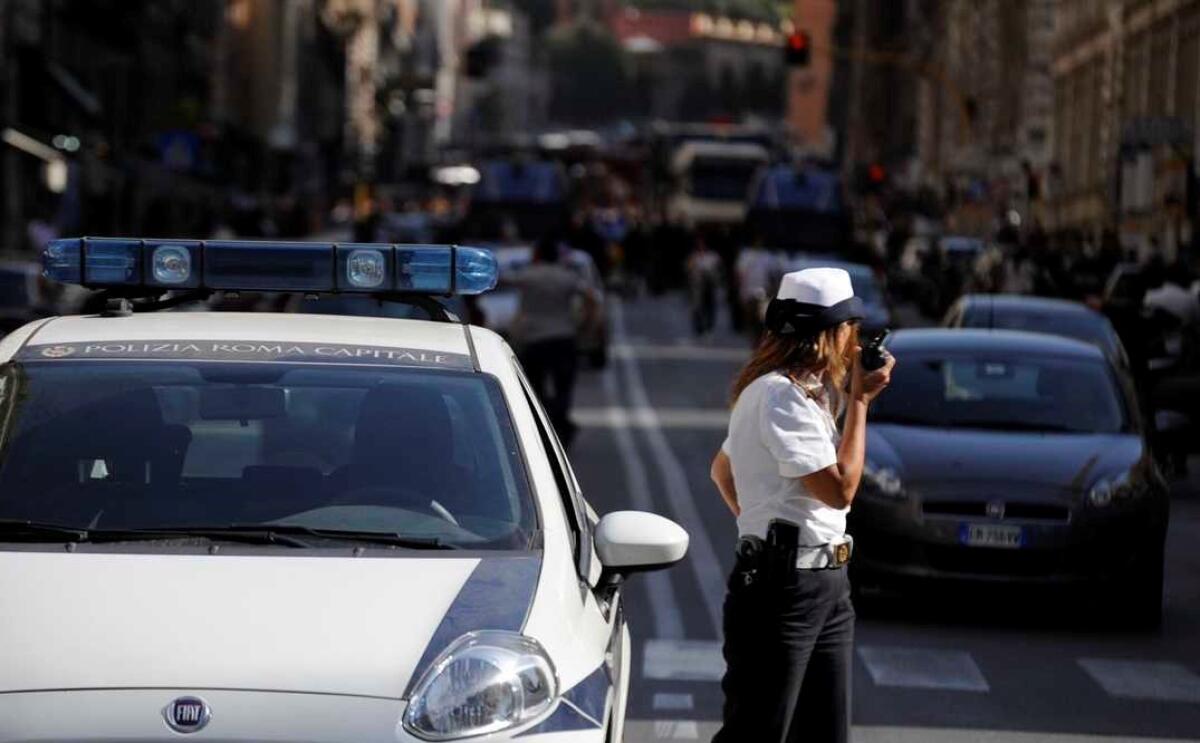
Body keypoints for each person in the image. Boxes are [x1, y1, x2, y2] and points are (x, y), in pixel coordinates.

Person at [709, 268, 895, 743]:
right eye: (850, 330)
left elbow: (722, 470)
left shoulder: (801, 396)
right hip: (784, 589)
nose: (855, 343)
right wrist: (860, 403)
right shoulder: (778, 397)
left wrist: (760, 521)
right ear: (832, 335)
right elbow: (841, 490)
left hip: (825, 584)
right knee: (757, 732)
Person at [509, 234, 596, 447]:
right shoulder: (567, 277)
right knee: (563, 387)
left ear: (536, 255)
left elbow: (503, 281)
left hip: (534, 339)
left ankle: (545, 424)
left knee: (535, 388)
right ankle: (560, 422)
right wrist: (585, 325)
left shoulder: (528, 276)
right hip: (563, 337)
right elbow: (591, 298)